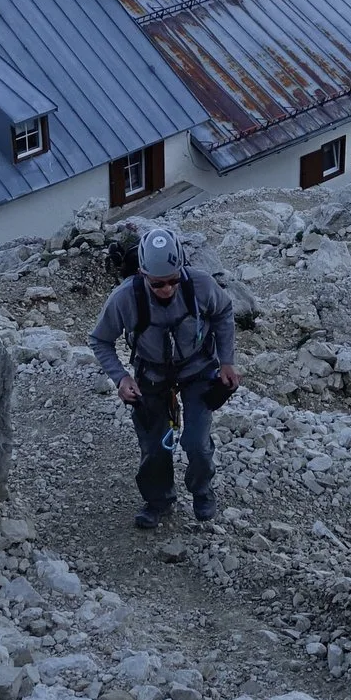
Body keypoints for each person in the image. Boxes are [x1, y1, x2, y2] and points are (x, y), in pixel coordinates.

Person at [88, 225, 238, 528]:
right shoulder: (125, 298)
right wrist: (121, 378)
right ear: (143, 273)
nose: (167, 289)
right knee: (155, 445)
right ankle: (158, 500)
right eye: (157, 284)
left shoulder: (200, 285)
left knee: (196, 442)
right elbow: (99, 340)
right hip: (152, 374)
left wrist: (227, 362)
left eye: (172, 281)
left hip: (198, 370)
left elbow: (223, 313)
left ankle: (202, 490)